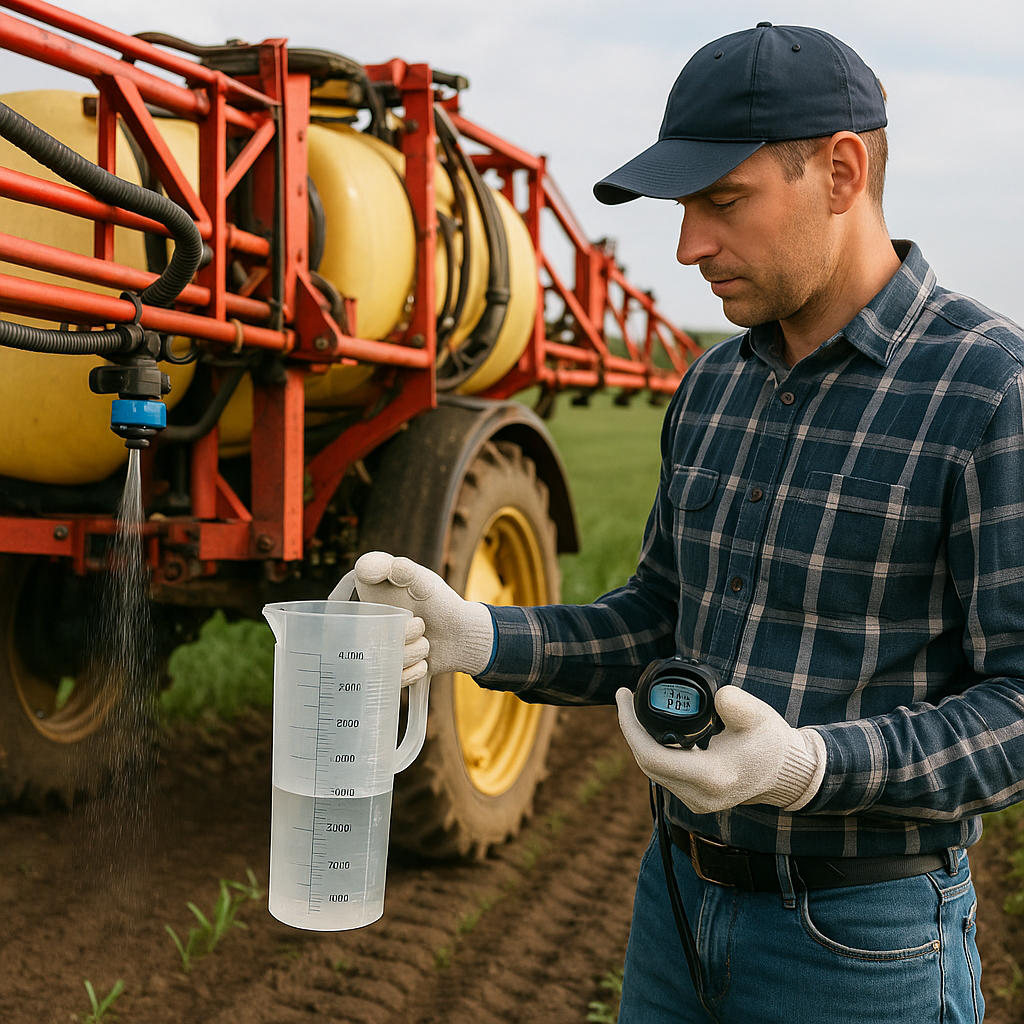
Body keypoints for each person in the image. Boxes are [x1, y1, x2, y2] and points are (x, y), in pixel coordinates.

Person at [340, 23, 1024, 1023]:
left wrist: (810, 768)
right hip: (674, 904)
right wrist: (476, 635)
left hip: (859, 940)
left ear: (840, 172)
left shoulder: (986, 387)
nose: (687, 246)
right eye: (683, 207)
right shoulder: (712, 386)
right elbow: (658, 619)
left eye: (722, 202)